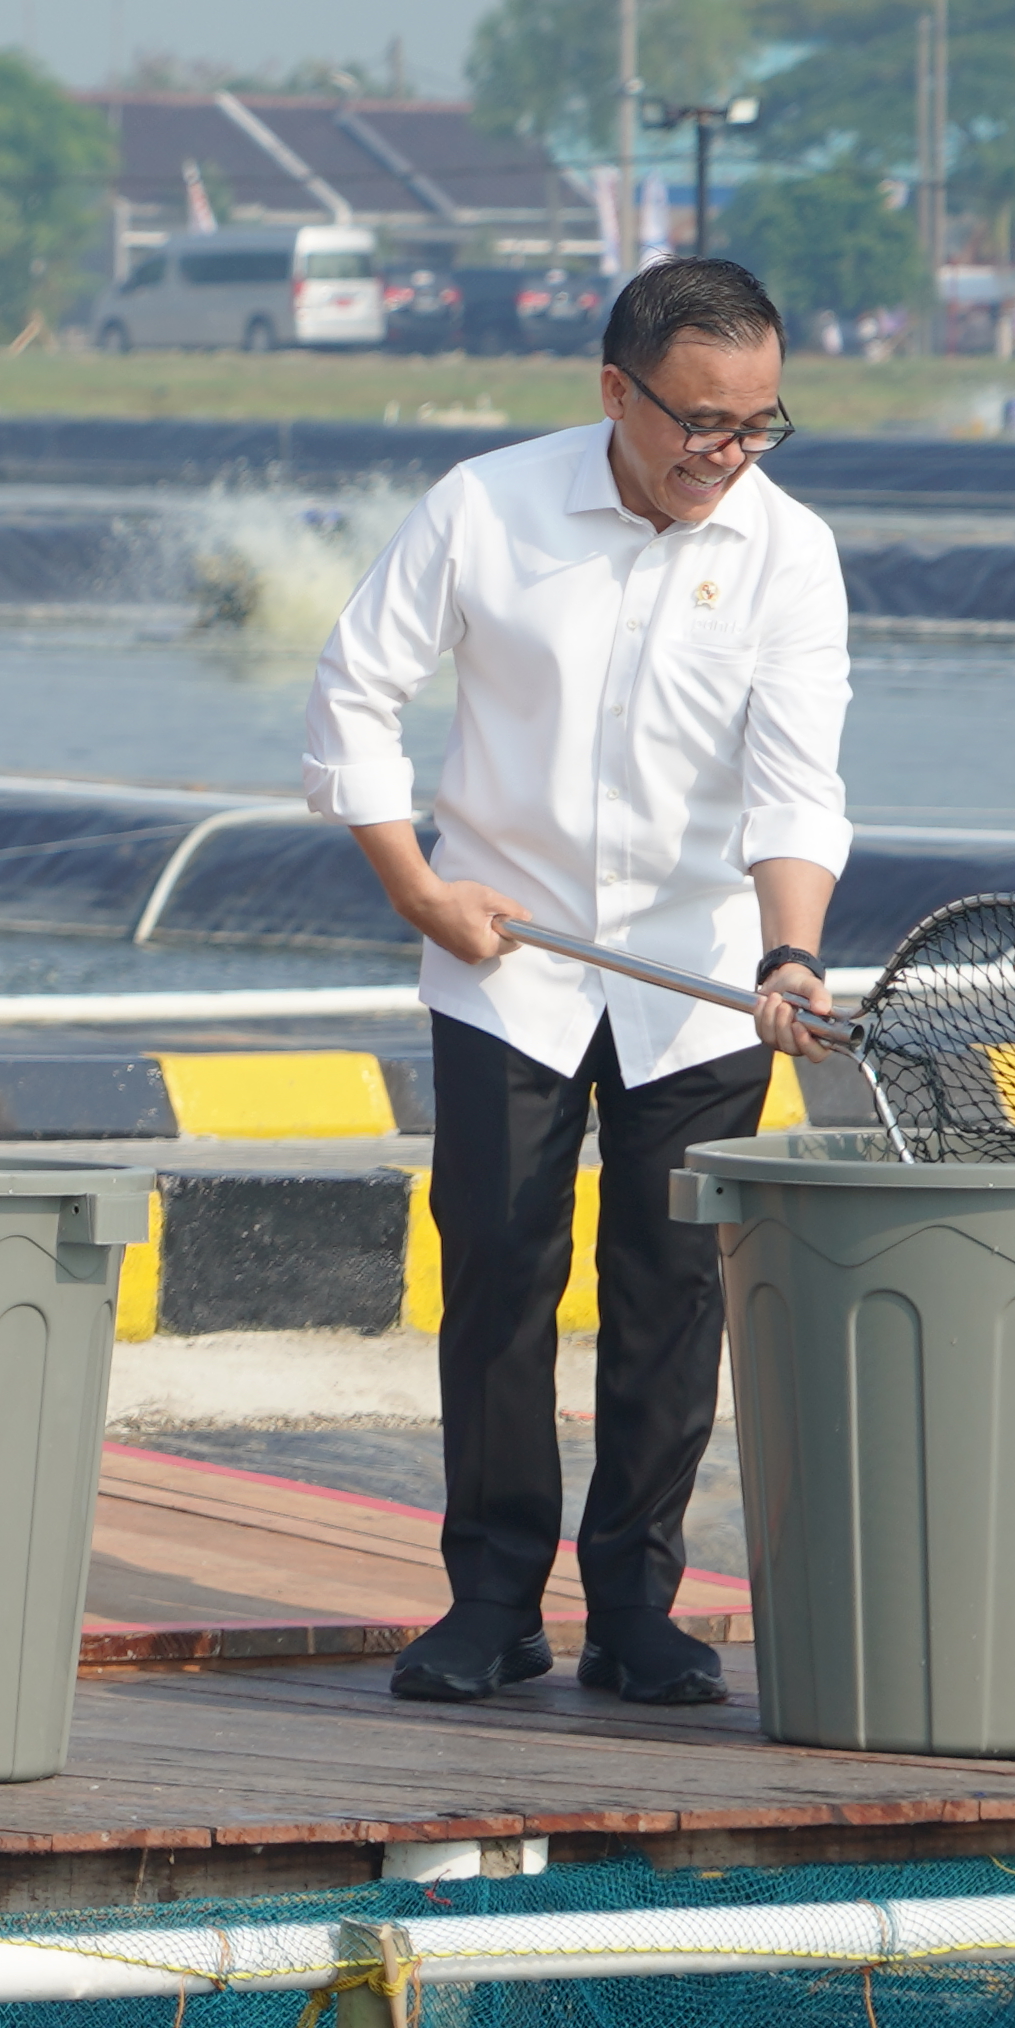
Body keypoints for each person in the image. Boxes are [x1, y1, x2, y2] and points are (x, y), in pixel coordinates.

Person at [299, 253, 848, 1712]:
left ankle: (635, 1608)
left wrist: (789, 951)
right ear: (616, 392)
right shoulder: (487, 508)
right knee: (497, 1265)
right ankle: (491, 1599)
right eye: (697, 423)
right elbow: (353, 695)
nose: (723, 457)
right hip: (508, 961)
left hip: (701, 980)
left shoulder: (789, 551)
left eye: (756, 425)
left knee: (671, 1290)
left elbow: (797, 790)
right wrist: (420, 888)